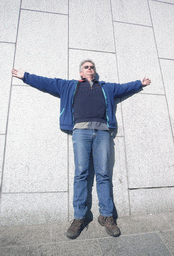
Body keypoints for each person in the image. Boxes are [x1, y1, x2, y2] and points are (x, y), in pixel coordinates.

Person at [12, 60, 151, 239]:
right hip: (81, 132)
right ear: (81, 72)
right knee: (81, 173)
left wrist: (140, 83)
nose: (90, 69)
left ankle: (106, 216)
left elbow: (124, 87)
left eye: (92, 67)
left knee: (103, 174)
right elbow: (47, 83)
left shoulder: (106, 87)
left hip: (102, 133)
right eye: (86, 67)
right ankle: (79, 217)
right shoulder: (69, 85)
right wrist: (26, 76)